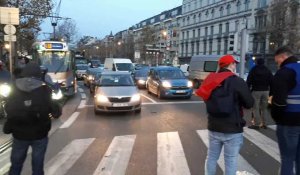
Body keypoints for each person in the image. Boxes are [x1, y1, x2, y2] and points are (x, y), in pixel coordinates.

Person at [196, 55, 254, 175]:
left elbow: (204, 97)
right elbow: (249, 103)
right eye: (234, 64)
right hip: (233, 128)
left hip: (214, 126)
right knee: (230, 160)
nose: (235, 66)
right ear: (231, 65)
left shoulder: (210, 79)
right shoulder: (237, 81)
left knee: (211, 157)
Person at [4, 63, 55, 175]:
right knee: (37, 165)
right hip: (39, 134)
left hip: (19, 134)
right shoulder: (44, 89)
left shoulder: (14, 87)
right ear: (38, 74)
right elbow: (55, 110)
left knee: (16, 164)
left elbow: (8, 107)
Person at [271, 46, 300, 175]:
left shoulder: (284, 72)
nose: (278, 64)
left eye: (277, 61)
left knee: (287, 159)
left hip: (289, 121)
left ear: (283, 57)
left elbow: (279, 101)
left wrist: (277, 117)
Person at [246, 58, 273, 129]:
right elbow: (272, 81)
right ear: (264, 62)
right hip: (266, 91)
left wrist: (247, 91)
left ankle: (256, 124)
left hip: (256, 91)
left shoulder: (253, 70)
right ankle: (264, 124)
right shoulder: (268, 70)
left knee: (255, 108)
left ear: (257, 62)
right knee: (264, 108)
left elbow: (249, 81)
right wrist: (271, 92)